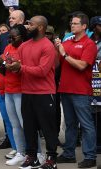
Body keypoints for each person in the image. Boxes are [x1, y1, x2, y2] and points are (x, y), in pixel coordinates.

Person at [7, 16, 58, 169]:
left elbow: (42, 71)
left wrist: (20, 68)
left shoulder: (47, 46)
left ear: (41, 27)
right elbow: (20, 67)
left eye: (31, 24)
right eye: (28, 23)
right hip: (27, 92)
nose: (27, 27)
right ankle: (32, 157)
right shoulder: (24, 46)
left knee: (47, 127)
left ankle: (51, 159)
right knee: (28, 127)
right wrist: (8, 66)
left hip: (44, 92)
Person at [55, 13, 97, 168]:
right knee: (70, 125)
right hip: (65, 89)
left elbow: (82, 66)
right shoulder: (67, 42)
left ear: (84, 26)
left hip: (81, 91)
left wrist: (64, 54)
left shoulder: (89, 44)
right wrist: (56, 49)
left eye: (75, 23)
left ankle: (90, 157)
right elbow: (56, 64)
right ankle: (68, 154)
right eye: (71, 23)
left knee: (86, 125)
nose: (72, 25)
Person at [0, 10, 25, 150]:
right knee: (13, 124)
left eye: (13, 38)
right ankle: (19, 151)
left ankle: (34, 153)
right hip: (7, 89)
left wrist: (18, 67)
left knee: (24, 124)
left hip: (21, 90)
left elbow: (28, 68)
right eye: (9, 38)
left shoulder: (26, 46)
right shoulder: (7, 46)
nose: (11, 40)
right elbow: (4, 69)